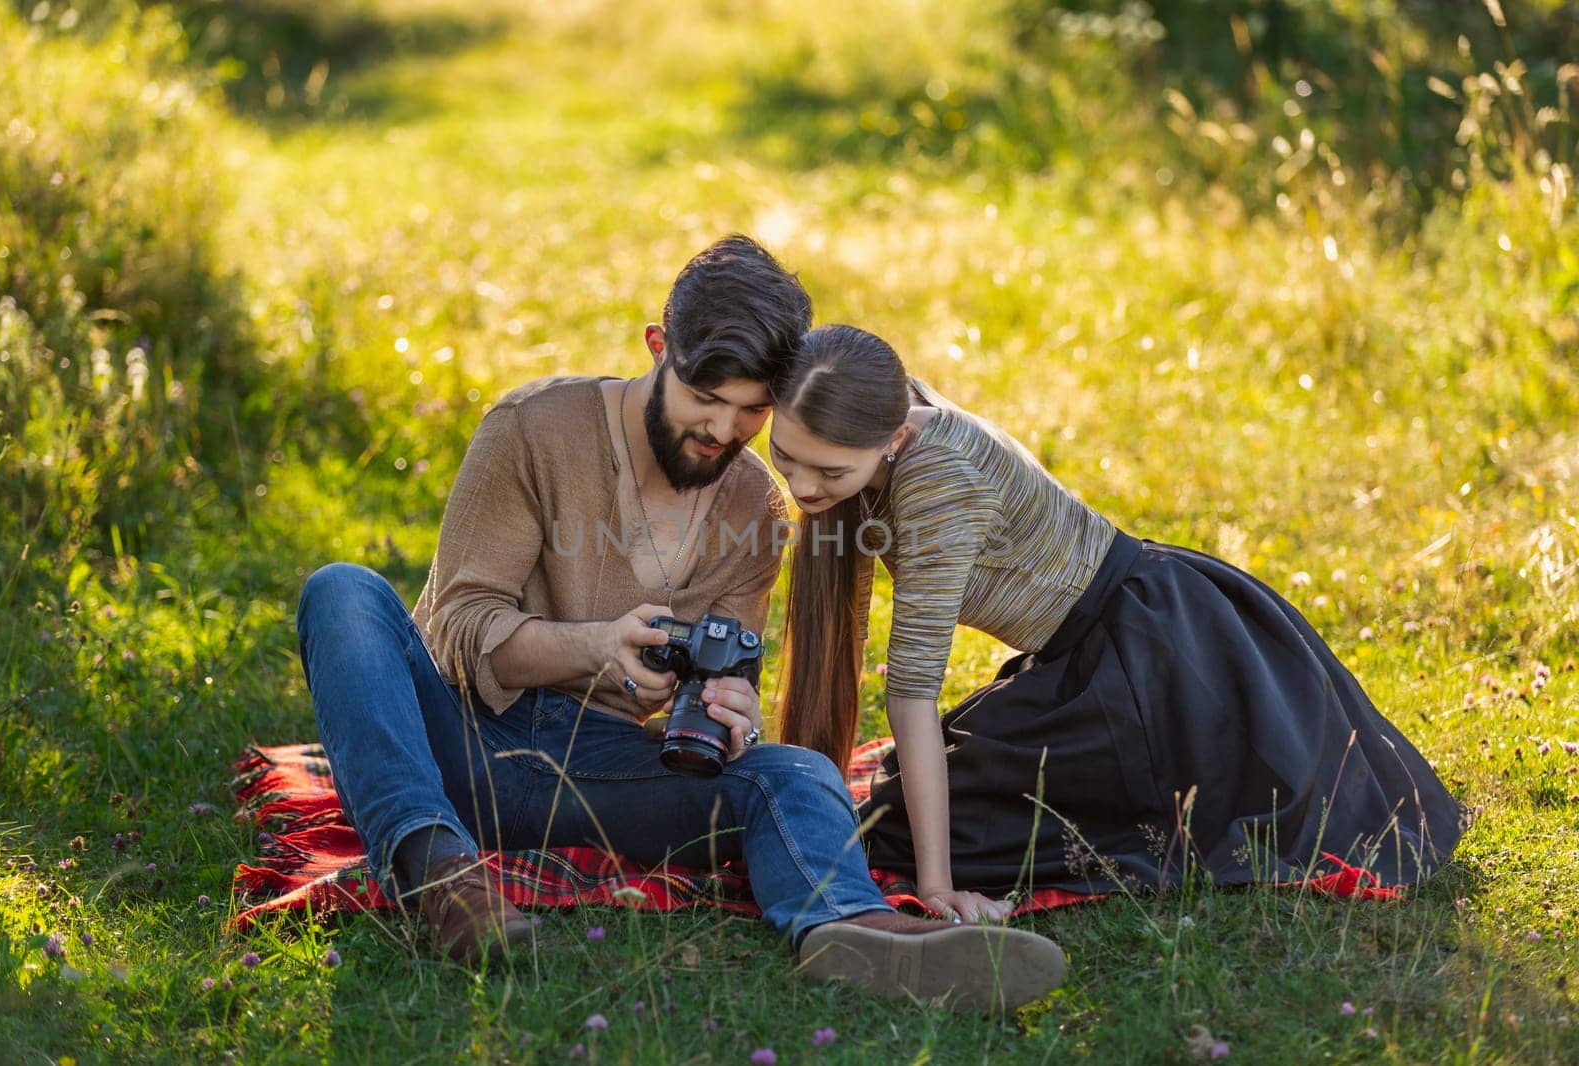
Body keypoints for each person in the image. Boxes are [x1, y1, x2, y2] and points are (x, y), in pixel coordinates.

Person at [295, 238, 1066, 1012]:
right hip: (452, 737)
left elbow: (719, 692)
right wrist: (593, 646)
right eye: (706, 393)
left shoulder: (756, 507)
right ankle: (442, 878)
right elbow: (459, 630)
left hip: (596, 774)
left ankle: (856, 929)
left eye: (753, 407)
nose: (726, 429)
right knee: (343, 593)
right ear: (658, 347)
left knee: (798, 773)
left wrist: (730, 719)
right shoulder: (532, 428)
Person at [769, 324, 1465, 923]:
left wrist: (937, 887)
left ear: (891, 439)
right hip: (1108, 643)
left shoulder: (937, 487)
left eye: (827, 470)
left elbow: (912, 692)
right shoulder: (881, 397)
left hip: (1144, 669)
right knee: (908, 793)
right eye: (785, 456)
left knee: (895, 824)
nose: (801, 488)